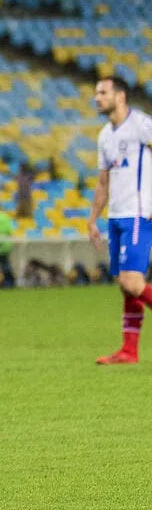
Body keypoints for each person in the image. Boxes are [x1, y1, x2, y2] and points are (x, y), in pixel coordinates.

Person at [89, 76, 152, 365]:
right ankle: (129, 351)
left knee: (133, 282)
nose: (97, 98)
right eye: (96, 93)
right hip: (116, 217)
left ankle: (129, 350)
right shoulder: (104, 135)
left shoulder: (140, 125)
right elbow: (103, 182)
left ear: (120, 96)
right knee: (124, 284)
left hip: (139, 213)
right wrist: (93, 219)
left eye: (103, 92)